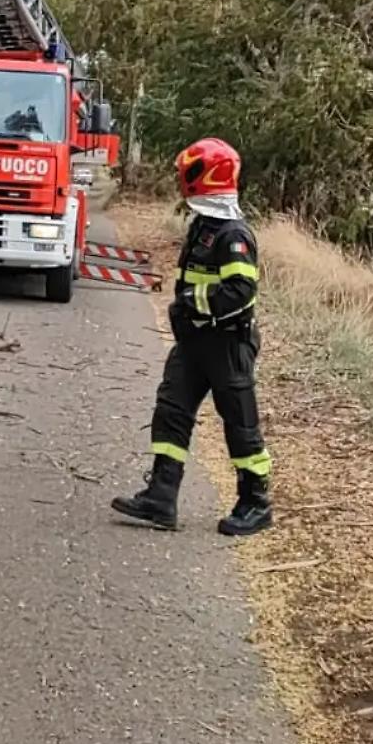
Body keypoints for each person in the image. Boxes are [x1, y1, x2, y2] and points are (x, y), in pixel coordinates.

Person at [111, 137, 271, 538]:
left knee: (240, 422)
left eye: (190, 171)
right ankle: (161, 496)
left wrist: (190, 302)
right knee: (172, 410)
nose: (183, 177)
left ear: (208, 175)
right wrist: (184, 311)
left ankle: (255, 503)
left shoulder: (233, 235)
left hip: (227, 343)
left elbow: (240, 291)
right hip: (195, 342)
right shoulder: (203, 225)